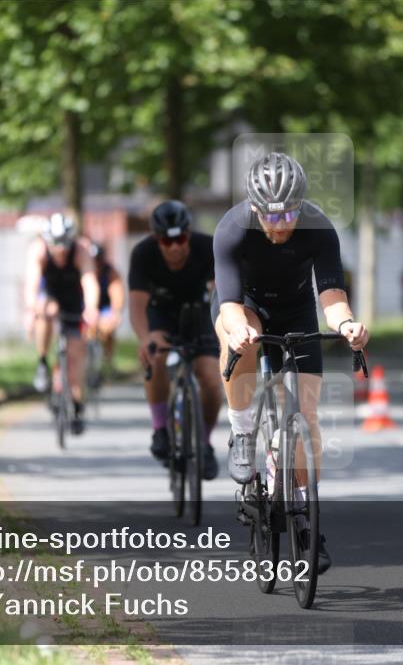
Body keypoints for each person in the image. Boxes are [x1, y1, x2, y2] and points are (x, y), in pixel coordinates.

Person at [213, 152, 370, 574]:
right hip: (245, 305)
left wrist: (348, 325)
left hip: (298, 311)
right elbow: (227, 305)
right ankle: (243, 431)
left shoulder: (319, 228)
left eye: (290, 213)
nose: (281, 223)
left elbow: (332, 297)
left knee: (306, 414)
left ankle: (304, 518)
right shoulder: (232, 228)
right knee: (235, 338)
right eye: (271, 214)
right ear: (254, 207)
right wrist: (237, 329)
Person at [128, 200, 220, 480]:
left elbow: (223, 294)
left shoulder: (209, 248)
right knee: (155, 354)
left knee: (212, 377)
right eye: (167, 242)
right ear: (157, 240)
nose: (175, 247)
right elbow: (137, 305)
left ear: (189, 235)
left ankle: (203, 443)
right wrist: (144, 339)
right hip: (162, 313)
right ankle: (160, 429)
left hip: (200, 312)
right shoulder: (143, 253)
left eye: (180, 239)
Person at [24, 213, 100, 434]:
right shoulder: (38, 250)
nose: (60, 252)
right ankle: (41, 361)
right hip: (50, 297)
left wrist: (91, 308)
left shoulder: (81, 250)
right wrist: (31, 310)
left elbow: (89, 282)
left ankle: (77, 406)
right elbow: (32, 284)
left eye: (64, 247)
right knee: (46, 311)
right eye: (55, 246)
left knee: (77, 356)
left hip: (74, 300)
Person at [89, 241, 125, 377]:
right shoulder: (83, 270)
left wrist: (115, 313)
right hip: (85, 306)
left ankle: (107, 360)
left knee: (108, 328)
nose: (95, 263)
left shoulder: (110, 272)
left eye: (97, 260)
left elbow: (117, 295)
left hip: (104, 306)